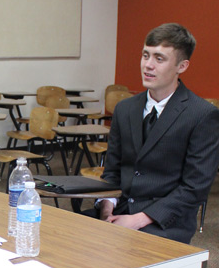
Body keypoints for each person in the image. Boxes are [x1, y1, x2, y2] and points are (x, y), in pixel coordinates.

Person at [91, 23, 219, 244]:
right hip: (120, 210)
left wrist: (138, 220)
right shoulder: (125, 109)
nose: (147, 65)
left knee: (118, 254)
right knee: (64, 236)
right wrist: (106, 206)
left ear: (182, 66)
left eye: (159, 59)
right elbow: (112, 172)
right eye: (145, 55)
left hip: (165, 221)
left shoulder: (202, 115)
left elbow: (194, 189)